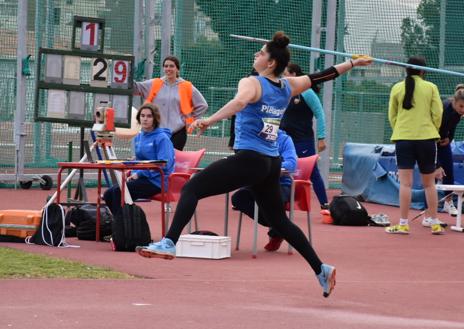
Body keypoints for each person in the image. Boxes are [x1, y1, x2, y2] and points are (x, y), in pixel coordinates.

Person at [136, 31, 372, 298]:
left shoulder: (252, 82)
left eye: (260, 53)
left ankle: (169, 242)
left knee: (191, 189)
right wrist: (352, 63)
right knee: (280, 221)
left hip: (250, 160)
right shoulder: (288, 85)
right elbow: (323, 75)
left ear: (270, 63)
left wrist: (209, 120)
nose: (255, 55)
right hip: (271, 163)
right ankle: (322, 270)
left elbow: (239, 103)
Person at [386, 56, 444, 235]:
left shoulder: (397, 87)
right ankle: (434, 223)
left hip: (403, 139)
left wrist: (401, 129)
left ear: (406, 70)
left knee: (405, 184)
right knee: (429, 184)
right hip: (427, 139)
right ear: (422, 71)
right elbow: (438, 113)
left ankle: (403, 224)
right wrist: (431, 129)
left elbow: (392, 115)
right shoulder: (431, 87)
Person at [103, 103, 175, 216]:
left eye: (149, 116)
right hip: (142, 178)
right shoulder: (138, 137)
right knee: (108, 194)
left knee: (118, 193)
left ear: (155, 119)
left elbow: (164, 164)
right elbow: (141, 159)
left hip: (157, 181)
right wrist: (131, 169)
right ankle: (122, 225)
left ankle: (124, 228)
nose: (145, 119)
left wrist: (140, 174)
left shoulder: (162, 138)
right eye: (142, 116)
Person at [231, 129, 297, 252]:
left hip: (281, 183)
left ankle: (279, 229)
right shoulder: (254, 138)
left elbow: (292, 163)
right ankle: (279, 228)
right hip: (257, 182)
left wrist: (271, 166)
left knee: (274, 199)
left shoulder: (285, 140)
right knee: (238, 198)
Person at [281, 63, 329, 210]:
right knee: (281, 170)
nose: (283, 76)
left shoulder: (306, 92)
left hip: (302, 140)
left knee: (312, 172)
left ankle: (325, 205)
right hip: (284, 140)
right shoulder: (284, 91)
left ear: (294, 74)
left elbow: (320, 114)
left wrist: (321, 137)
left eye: (285, 73)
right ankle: (281, 203)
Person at [134, 56, 208, 150]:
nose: (168, 69)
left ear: (177, 69)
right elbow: (136, 87)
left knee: (172, 160)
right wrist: (129, 74)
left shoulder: (187, 86)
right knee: (155, 159)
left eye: (171, 66)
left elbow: (203, 105)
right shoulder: (154, 83)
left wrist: (189, 119)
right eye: (166, 66)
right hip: (156, 131)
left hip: (177, 133)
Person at [433, 84, 464, 220]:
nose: (463, 110)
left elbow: (452, 127)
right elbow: (433, 128)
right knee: (433, 173)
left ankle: (448, 202)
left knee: (449, 171)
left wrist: (449, 138)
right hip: (430, 142)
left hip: (443, 143)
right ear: (454, 102)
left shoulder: (458, 114)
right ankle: (430, 211)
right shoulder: (443, 109)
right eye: (461, 106)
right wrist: (436, 163)